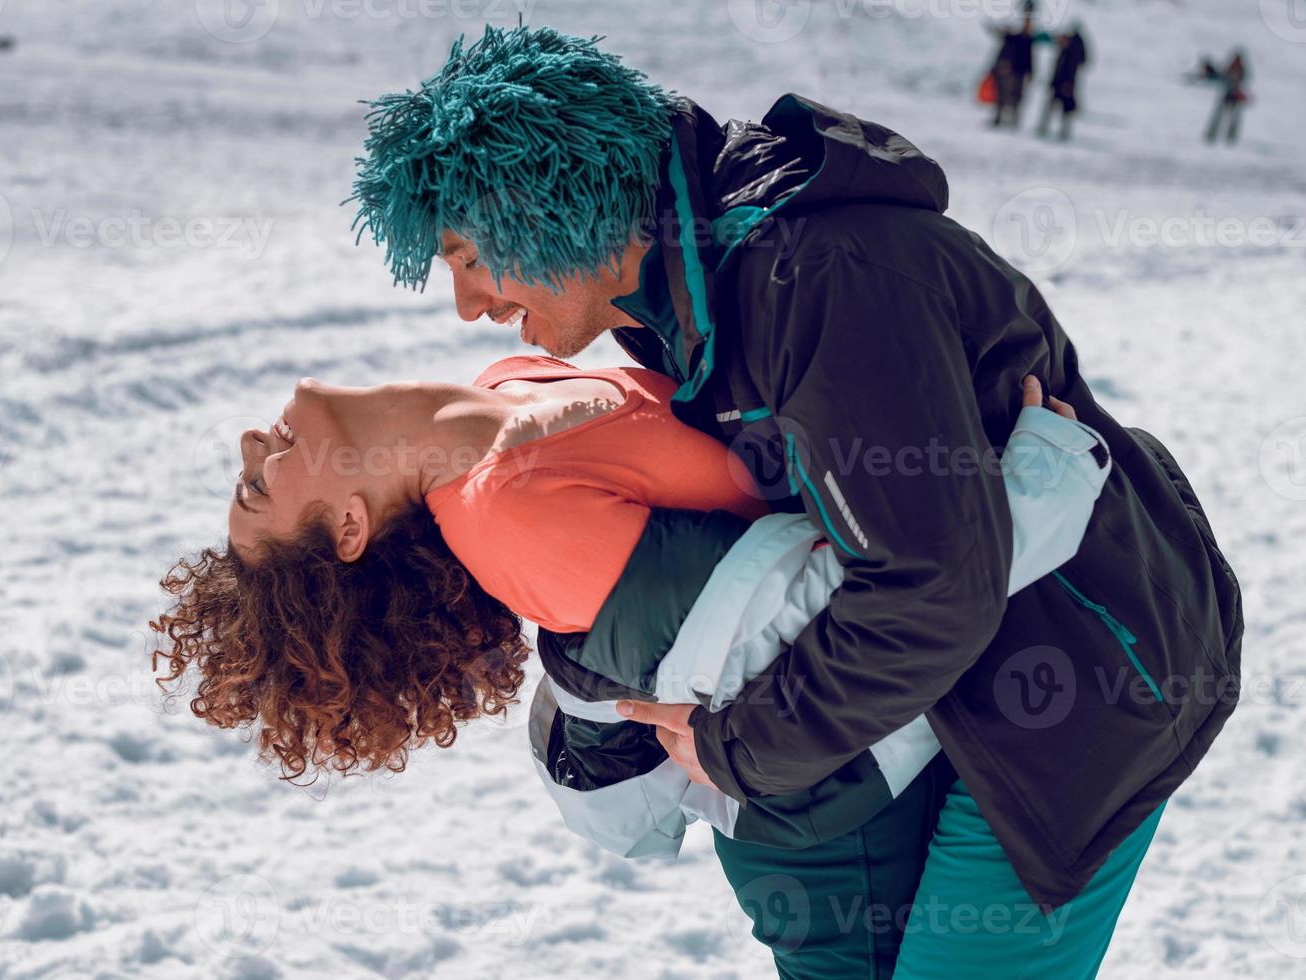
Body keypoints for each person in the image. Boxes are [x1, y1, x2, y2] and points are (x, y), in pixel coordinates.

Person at [339, 26, 1242, 977]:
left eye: (470, 258)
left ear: (553, 207)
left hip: (1070, 690)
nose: (469, 306)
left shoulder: (812, 282)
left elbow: (931, 587)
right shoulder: (695, 297)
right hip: (937, 703)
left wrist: (738, 748)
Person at [154, 359, 1099, 977]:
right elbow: (824, 616)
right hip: (827, 842)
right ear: (349, 528)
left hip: (852, 759)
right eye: (255, 489)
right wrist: (1038, 490)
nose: (249, 449)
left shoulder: (511, 381)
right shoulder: (514, 521)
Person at [987, 11, 1037, 128]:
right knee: (1003, 95)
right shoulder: (1015, 38)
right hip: (1011, 72)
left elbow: (1030, 58)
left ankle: (1013, 120)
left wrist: (1030, 72)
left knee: (1016, 97)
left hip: (1020, 73)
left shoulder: (1027, 39)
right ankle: (999, 118)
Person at [1037, 25, 1088, 140]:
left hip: (1066, 85)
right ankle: (1044, 128)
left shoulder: (1071, 55)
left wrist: (1068, 83)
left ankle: (1064, 132)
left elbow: (1071, 71)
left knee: (1066, 109)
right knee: (1050, 107)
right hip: (1057, 84)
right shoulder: (1063, 52)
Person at [1198, 49, 1249, 145]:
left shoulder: (1242, 72)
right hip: (1226, 95)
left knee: (1234, 120)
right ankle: (1211, 135)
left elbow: (1240, 84)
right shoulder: (1229, 69)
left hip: (1235, 98)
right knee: (1217, 117)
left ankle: (1231, 138)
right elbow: (1219, 76)